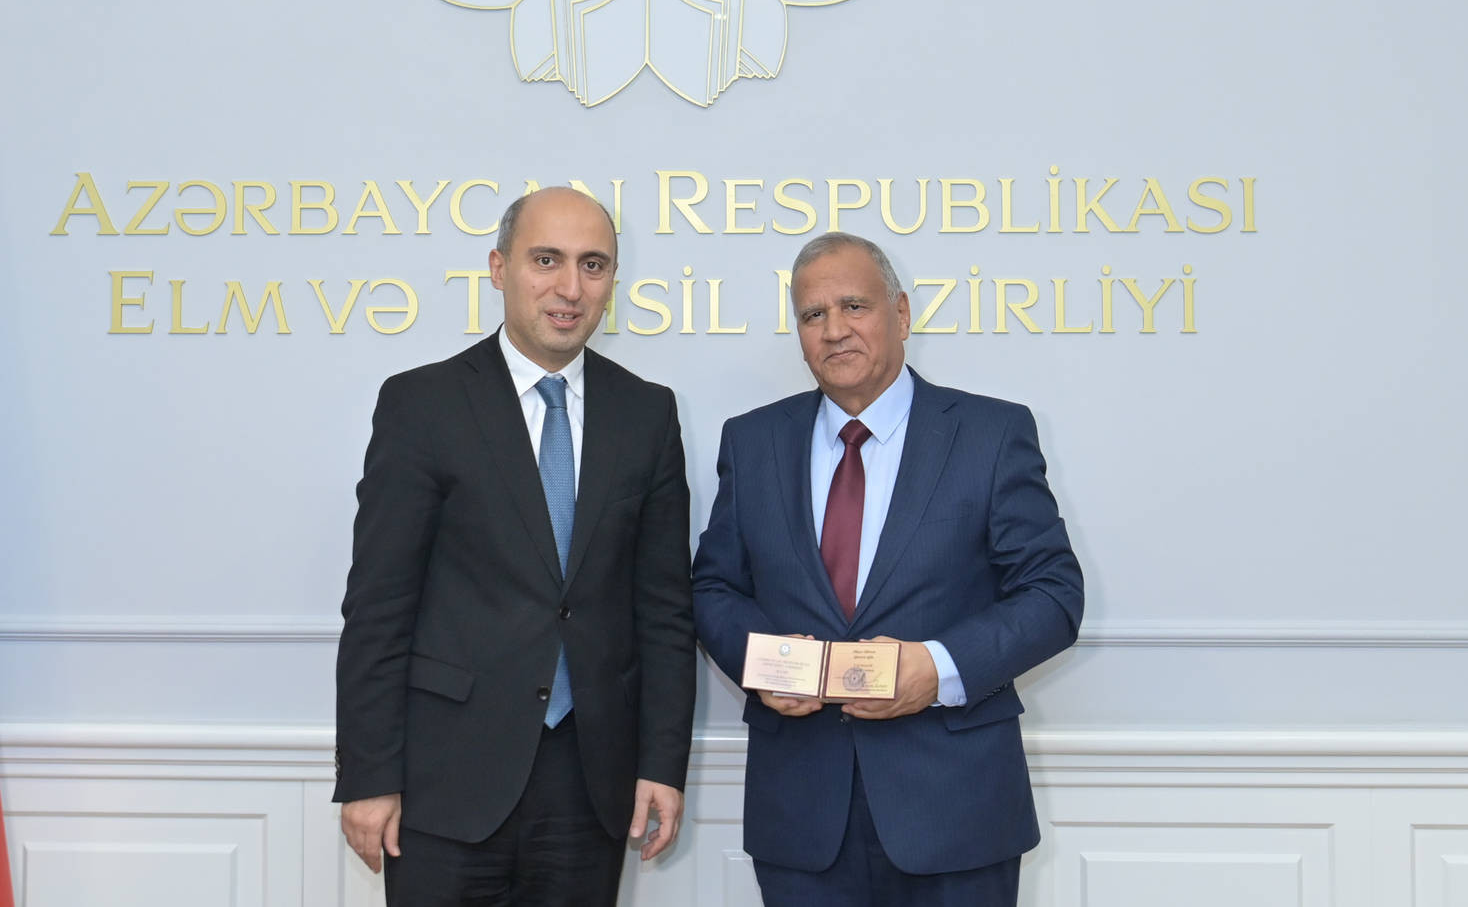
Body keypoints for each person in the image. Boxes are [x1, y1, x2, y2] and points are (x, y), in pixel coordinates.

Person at [692, 232, 1083, 906]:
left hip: (956, 813)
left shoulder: (991, 433)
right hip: (801, 815)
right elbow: (714, 586)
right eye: (813, 314)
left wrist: (937, 668)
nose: (834, 329)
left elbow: (1052, 595)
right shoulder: (752, 441)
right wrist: (761, 662)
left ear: (900, 314)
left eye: (854, 305)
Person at [334, 187, 695, 905]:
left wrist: (662, 763)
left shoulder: (647, 413)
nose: (570, 287)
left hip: (590, 782)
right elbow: (379, 606)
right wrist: (370, 774)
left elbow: (664, 611)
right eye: (546, 260)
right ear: (499, 268)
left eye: (593, 264)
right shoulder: (422, 405)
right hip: (444, 780)